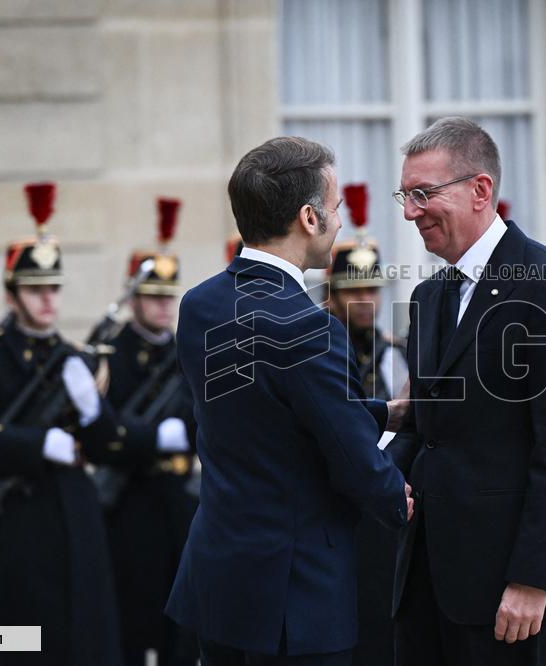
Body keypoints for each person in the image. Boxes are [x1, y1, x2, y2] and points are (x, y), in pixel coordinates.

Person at [165, 136, 412, 666]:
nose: (340, 221)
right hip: (293, 593)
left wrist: (378, 412)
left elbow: (264, 416)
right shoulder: (309, 327)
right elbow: (351, 460)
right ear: (308, 218)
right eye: (336, 207)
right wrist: (397, 495)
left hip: (220, 576)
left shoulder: (200, 304)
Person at [389, 117, 546, 666]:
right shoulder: (429, 297)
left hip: (507, 591)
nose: (410, 212)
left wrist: (533, 578)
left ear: (480, 190)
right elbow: (429, 429)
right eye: (405, 196)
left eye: (423, 194)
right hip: (427, 580)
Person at [0, 182, 122, 665]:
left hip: (72, 513)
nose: (47, 300)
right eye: (34, 290)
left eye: (53, 289)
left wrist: (92, 411)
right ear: (11, 295)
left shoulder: (73, 360)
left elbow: (107, 446)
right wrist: (36, 442)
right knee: (22, 640)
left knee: (80, 632)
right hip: (17, 516)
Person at [100, 197, 199, 666]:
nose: (163, 306)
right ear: (134, 297)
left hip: (178, 496)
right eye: (154, 296)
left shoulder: (186, 350)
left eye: (169, 296)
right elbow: (101, 432)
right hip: (130, 498)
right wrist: (156, 439)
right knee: (135, 613)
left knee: (181, 616)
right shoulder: (112, 354)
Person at [326, 184, 409, 666]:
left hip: (390, 499)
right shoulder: (321, 348)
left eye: (372, 289)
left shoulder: (397, 352)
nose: (365, 299)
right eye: (354, 289)